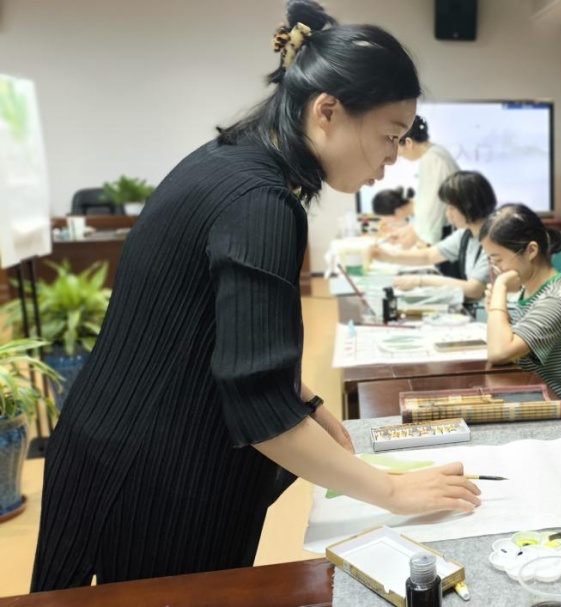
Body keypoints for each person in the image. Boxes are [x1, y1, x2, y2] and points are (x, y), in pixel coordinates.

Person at [31, 1, 480, 591]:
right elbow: (262, 416)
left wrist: (304, 396)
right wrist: (393, 491)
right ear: (327, 111)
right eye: (389, 136)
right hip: (153, 476)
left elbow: (209, 327)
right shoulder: (261, 204)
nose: (393, 158)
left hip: (113, 444)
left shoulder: (228, 163)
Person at [481, 204, 561, 402]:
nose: (495, 268)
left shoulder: (556, 298)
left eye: (498, 260)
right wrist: (498, 310)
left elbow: (499, 352)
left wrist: (500, 287)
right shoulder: (527, 285)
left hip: (552, 403)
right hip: (521, 389)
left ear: (531, 250)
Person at [372, 171, 496, 301]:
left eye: (452, 208)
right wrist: (387, 256)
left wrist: (419, 281)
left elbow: (474, 290)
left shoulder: (493, 239)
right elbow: (429, 255)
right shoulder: (466, 234)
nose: (448, 214)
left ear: (469, 205)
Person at [387, 115, 460, 251]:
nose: (398, 155)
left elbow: (433, 206)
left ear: (408, 142)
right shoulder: (436, 153)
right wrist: (412, 230)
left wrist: (423, 239)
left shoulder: (432, 159)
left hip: (445, 235)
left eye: (398, 149)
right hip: (446, 232)